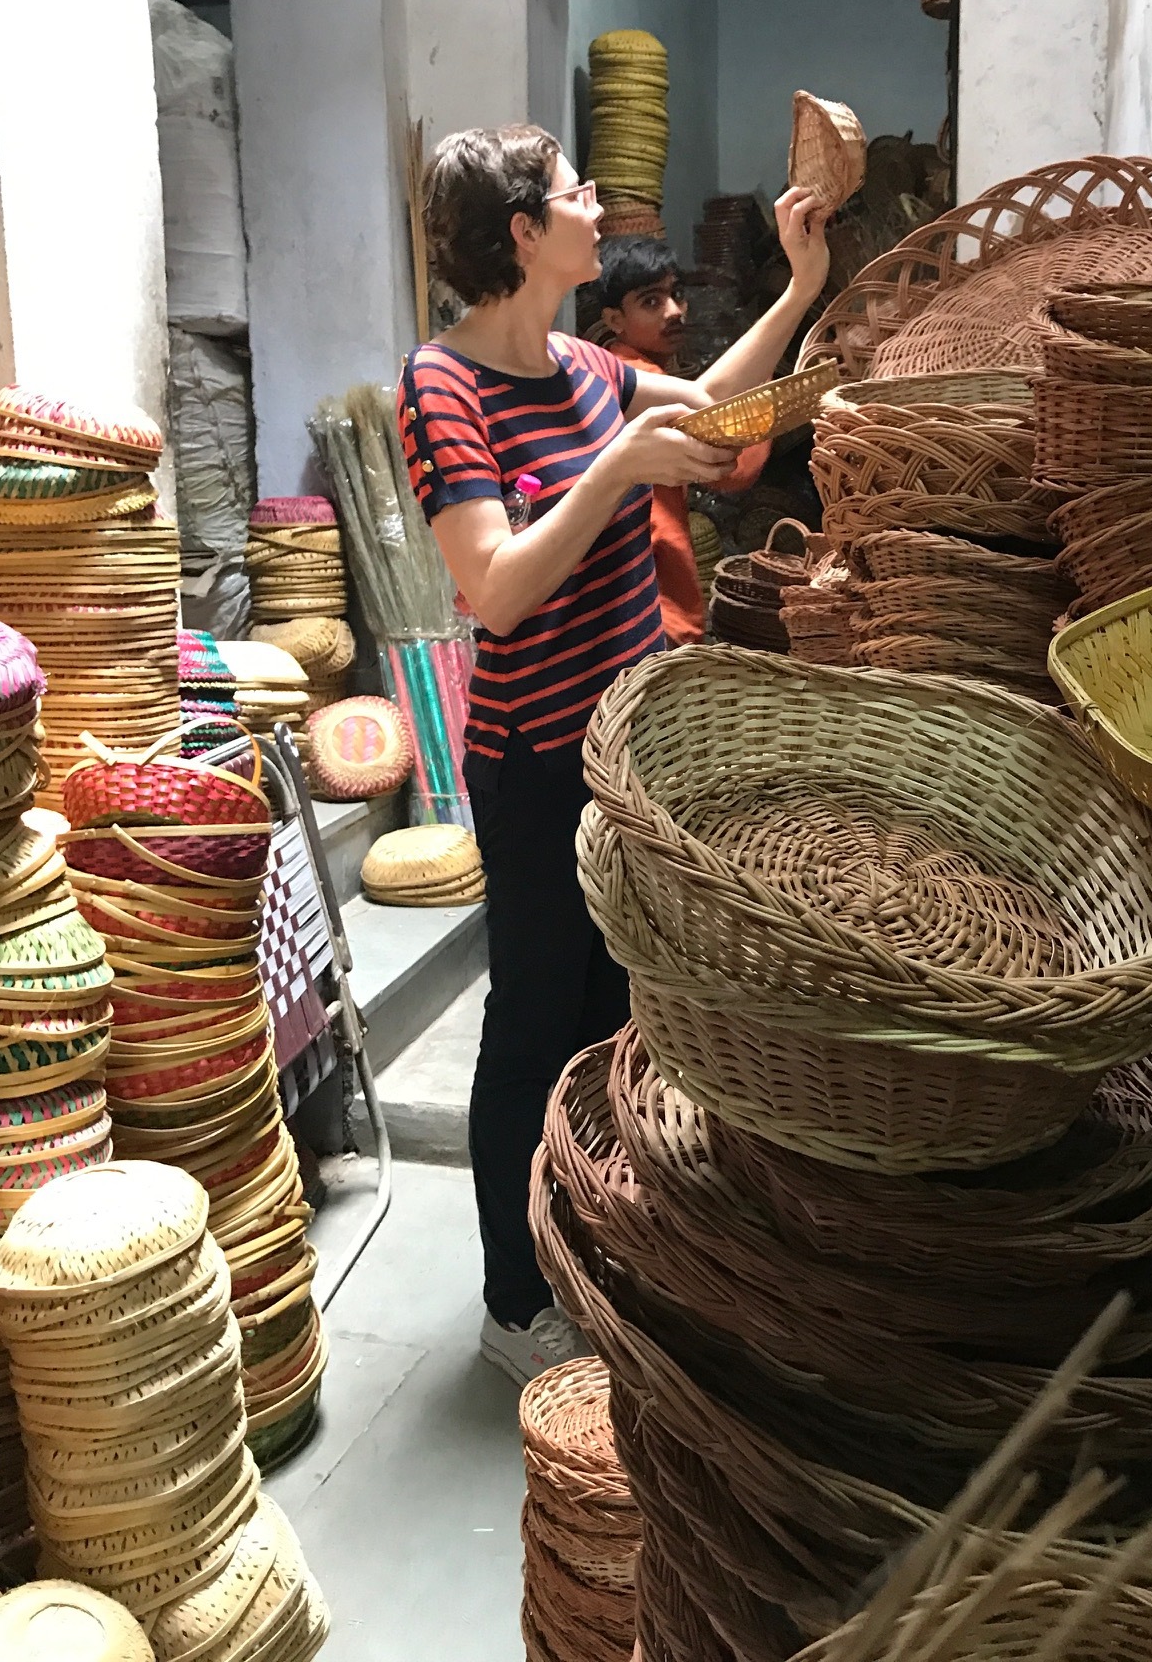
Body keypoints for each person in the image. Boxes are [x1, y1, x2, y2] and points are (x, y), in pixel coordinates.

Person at [399, 125, 830, 1387]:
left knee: (609, 1012)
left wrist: (803, 290)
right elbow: (495, 591)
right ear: (524, 233)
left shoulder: (587, 364)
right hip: (533, 759)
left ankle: (585, 1239)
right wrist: (611, 470)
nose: (599, 205)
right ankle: (510, 1296)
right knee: (533, 1017)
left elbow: (718, 411)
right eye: (576, 193)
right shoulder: (446, 384)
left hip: (622, 747)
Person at [594, 235, 771, 645]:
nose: (674, 311)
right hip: (654, 611)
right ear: (614, 319)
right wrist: (763, 386)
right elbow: (734, 470)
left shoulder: (625, 372)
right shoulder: (635, 380)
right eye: (651, 302)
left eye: (677, 295)